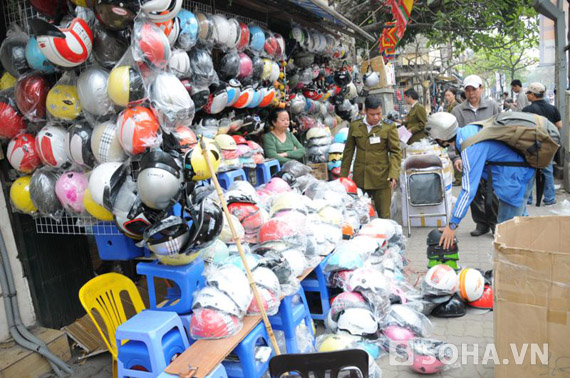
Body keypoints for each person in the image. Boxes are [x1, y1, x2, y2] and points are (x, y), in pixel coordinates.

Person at [425, 112, 535, 249]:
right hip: (520, 174)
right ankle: (526, 257)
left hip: (514, 180)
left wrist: (453, 224)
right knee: (519, 224)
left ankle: (510, 267)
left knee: (506, 231)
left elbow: (467, 191)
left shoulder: (469, 147)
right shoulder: (467, 131)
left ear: (441, 137)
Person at [451, 74, 501, 237]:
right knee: (473, 193)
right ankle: (481, 223)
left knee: (492, 193)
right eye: (468, 90)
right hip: (469, 157)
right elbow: (451, 136)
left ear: (481, 89)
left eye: (474, 89)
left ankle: (495, 223)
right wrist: (455, 157)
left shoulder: (492, 106)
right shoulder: (458, 111)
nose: (471, 93)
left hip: (490, 157)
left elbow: (502, 128)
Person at [340, 96, 401, 218]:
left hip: (382, 178)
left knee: (384, 216)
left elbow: (395, 152)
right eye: (372, 114)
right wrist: (343, 178)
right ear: (365, 111)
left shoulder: (388, 127)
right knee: (360, 215)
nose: (376, 117)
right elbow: (348, 152)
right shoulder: (355, 126)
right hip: (360, 178)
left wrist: (393, 175)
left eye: (379, 113)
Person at [523, 82, 562, 206]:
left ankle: (528, 199)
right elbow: (559, 126)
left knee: (530, 170)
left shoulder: (527, 110)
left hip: (532, 145)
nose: (527, 95)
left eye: (528, 93)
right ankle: (550, 198)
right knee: (547, 170)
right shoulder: (553, 108)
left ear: (533, 95)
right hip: (548, 144)